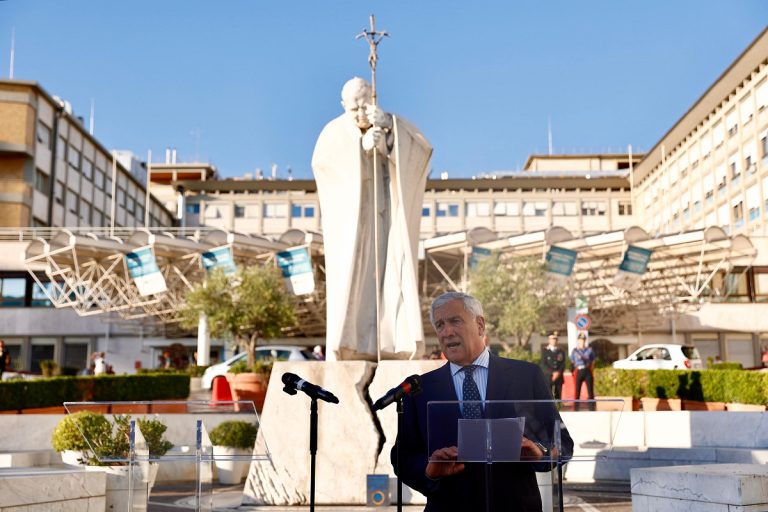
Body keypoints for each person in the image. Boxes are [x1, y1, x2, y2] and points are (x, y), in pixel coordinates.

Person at [392, 291, 573, 511]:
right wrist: (430, 471)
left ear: (480, 325)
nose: (447, 332)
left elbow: (562, 443)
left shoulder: (525, 376)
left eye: (455, 321)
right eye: (439, 325)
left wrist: (540, 453)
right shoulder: (420, 389)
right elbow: (403, 457)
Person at [312, 77, 432, 361]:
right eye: (354, 109)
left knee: (390, 275)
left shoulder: (391, 123)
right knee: (356, 282)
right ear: (343, 106)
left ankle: (391, 342)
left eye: (365, 105)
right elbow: (324, 167)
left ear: (373, 98)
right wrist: (360, 148)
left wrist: (391, 132)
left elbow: (422, 152)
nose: (360, 113)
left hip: (386, 220)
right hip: (354, 227)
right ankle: (354, 344)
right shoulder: (333, 133)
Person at [570, 333, 596, 408]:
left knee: (590, 390)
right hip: (578, 370)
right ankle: (576, 408)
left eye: (583, 340)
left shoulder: (589, 350)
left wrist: (591, 370)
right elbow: (572, 362)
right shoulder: (574, 351)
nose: (582, 341)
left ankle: (592, 407)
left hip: (587, 370)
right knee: (577, 390)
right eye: (580, 340)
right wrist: (573, 371)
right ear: (578, 340)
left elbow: (593, 361)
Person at [540, 331, 566, 400]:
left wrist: (558, 373)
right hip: (548, 377)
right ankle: (549, 410)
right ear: (549, 340)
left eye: (555, 339)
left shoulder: (561, 351)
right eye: (552, 339)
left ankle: (558, 409)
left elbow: (563, 363)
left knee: (558, 396)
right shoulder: (545, 351)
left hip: (559, 376)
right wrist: (552, 373)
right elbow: (543, 364)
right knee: (548, 396)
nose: (554, 341)